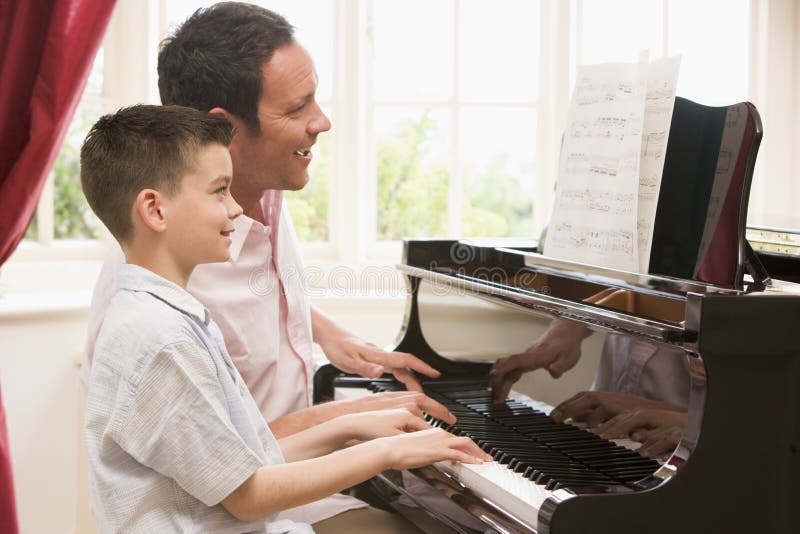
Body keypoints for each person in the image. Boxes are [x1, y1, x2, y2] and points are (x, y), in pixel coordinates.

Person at [80, 4, 456, 528]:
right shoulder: (173, 297)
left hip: (283, 487)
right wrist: (359, 425)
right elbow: (233, 467)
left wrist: (327, 333)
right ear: (224, 128)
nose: (322, 121)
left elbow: (254, 302)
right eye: (297, 107)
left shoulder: (258, 200)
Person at [489, 288, 690, 458]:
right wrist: (571, 323)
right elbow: (654, 291)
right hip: (604, 435)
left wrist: (682, 418)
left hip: (678, 453)